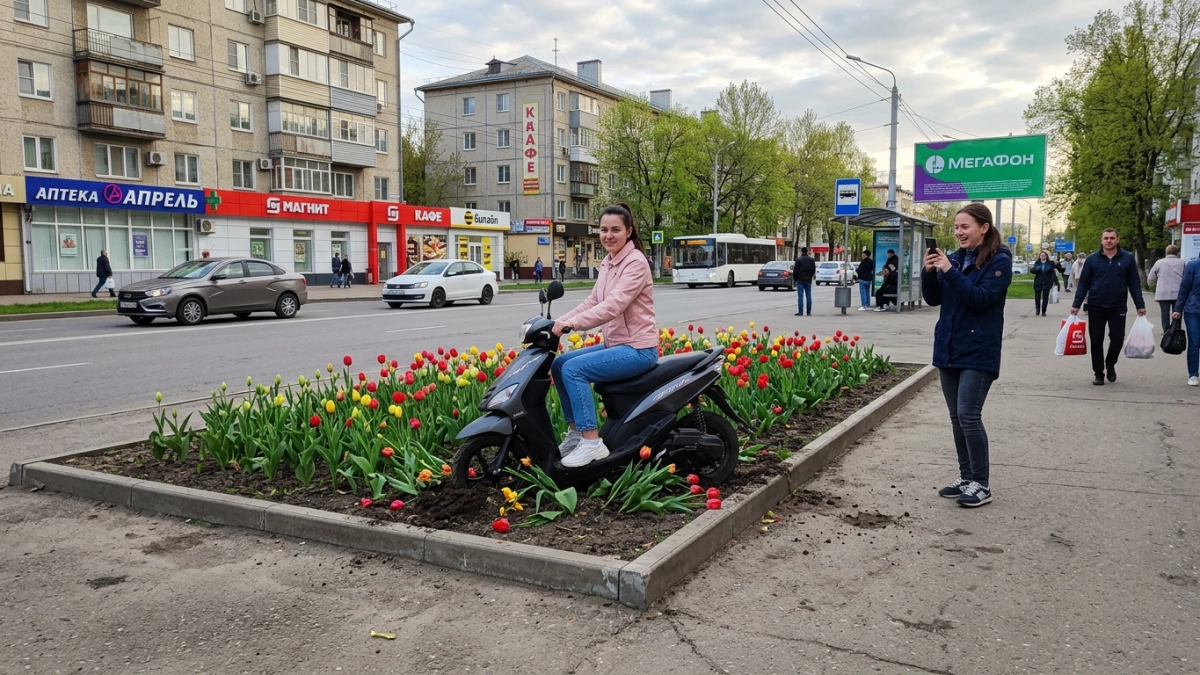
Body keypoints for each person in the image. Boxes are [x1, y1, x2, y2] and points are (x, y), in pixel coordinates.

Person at [551, 204, 657, 467]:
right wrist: (561, 320)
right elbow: (594, 300)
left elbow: (613, 306)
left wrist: (573, 325)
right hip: (617, 344)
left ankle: (591, 442)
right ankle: (576, 434)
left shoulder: (635, 262)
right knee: (559, 364)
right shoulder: (609, 262)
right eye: (604, 230)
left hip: (638, 350)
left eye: (615, 230)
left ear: (629, 232)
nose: (608, 235)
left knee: (574, 370)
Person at [922, 203, 1012, 508]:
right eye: (957, 227)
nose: (959, 232)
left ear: (983, 228)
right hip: (949, 346)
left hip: (978, 349)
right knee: (956, 418)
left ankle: (982, 484)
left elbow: (980, 299)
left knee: (968, 415)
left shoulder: (999, 261)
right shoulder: (957, 259)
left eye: (965, 227)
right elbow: (934, 299)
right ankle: (966, 476)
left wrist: (949, 271)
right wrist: (930, 272)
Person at [1071, 229, 1146, 386]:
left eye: (1112, 238)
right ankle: (1098, 373)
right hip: (1096, 305)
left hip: (1118, 306)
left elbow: (1134, 283)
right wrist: (1076, 304)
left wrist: (1140, 304)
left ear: (1118, 239)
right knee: (1096, 339)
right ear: (1101, 240)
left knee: (1118, 338)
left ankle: (1110, 363)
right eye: (1106, 238)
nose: (1109, 241)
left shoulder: (1127, 258)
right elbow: (1084, 283)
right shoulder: (1092, 260)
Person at [1171, 254, 1200, 386]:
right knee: (1194, 342)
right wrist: (1178, 309)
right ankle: (1193, 374)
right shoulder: (1193, 266)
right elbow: (1185, 288)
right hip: (1193, 310)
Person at [1148, 245, 1186, 332]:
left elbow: (1151, 277)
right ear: (1177, 252)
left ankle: (1166, 331)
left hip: (1163, 292)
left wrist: (1152, 282)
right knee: (1177, 312)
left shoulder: (1159, 262)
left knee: (1164, 312)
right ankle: (1176, 329)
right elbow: (1186, 277)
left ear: (1166, 252)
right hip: (1178, 292)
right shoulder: (1182, 262)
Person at [1030, 251, 1058, 316]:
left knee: (1045, 297)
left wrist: (1055, 281)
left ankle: (1043, 311)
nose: (1043, 257)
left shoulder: (1050, 263)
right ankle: (1037, 309)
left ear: (1046, 257)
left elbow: (1053, 272)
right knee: (1037, 297)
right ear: (1039, 257)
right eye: (1041, 256)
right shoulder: (1037, 263)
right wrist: (1037, 269)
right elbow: (1032, 270)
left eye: (1044, 256)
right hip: (1038, 282)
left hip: (1047, 282)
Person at [793, 246, 816, 316]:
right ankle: (808, 312)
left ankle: (800, 311)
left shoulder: (798, 260)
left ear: (801, 251)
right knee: (808, 296)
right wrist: (810, 276)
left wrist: (795, 278)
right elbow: (813, 271)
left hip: (800, 279)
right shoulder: (811, 260)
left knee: (800, 296)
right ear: (807, 251)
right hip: (808, 280)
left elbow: (795, 271)